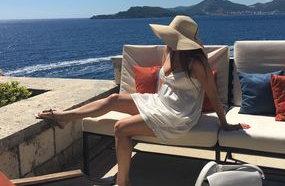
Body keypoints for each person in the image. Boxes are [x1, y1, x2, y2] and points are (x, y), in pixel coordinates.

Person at [36, 15, 250, 186]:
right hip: (160, 102)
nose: (169, 39)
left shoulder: (196, 63)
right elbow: (163, 82)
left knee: (120, 128)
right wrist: (149, 101)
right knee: (113, 98)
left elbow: (213, 95)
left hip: (178, 115)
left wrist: (224, 124)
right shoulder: (170, 50)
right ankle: (65, 117)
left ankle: (123, 182)